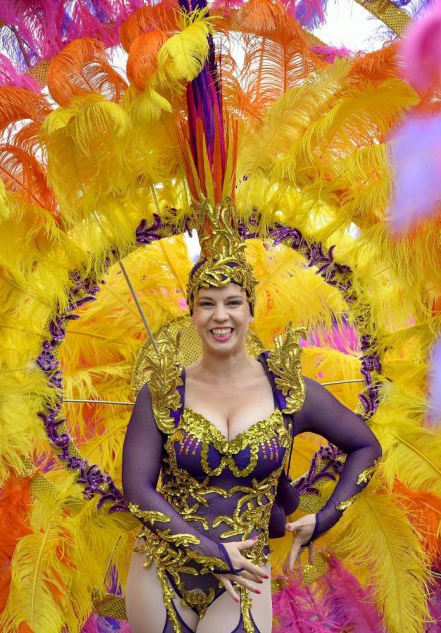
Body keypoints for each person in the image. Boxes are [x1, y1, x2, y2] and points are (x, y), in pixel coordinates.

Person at [120, 204, 383, 633]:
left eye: (233, 303)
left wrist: (325, 517)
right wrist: (211, 552)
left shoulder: (289, 392)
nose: (220, 316)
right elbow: (137, 490)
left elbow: (366, 446)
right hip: (164, 569)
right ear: (192, 313)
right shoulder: (162, 391)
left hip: (245, 577)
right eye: (207, 304)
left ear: (250, 310)